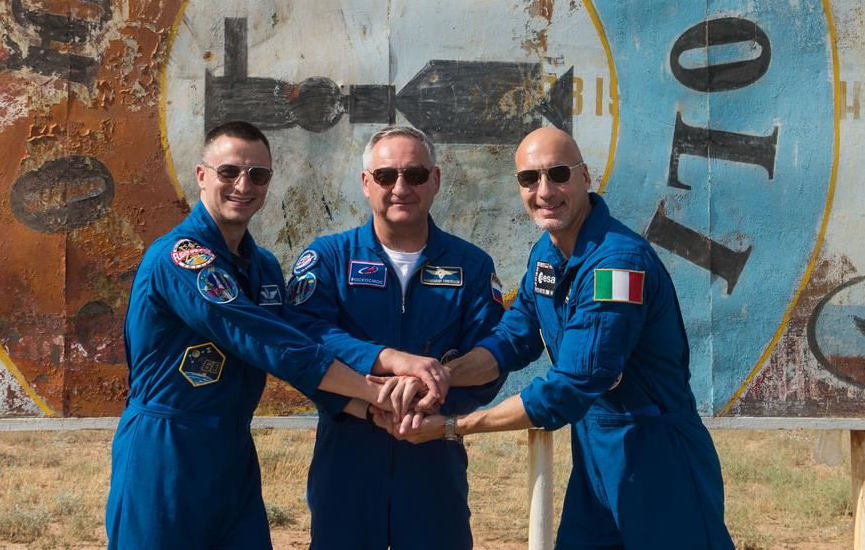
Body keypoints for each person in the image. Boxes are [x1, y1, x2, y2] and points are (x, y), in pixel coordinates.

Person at [382, 127, 734, 550]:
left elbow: (569, 388)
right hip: (595, 455)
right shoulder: (547, 254)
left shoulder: (617, 267)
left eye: (558, 174)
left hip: (658, 456)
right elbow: (514, 338)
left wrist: (456, 426)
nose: (544, 191)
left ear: (586, 177)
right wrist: (437, 377)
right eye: (529, 179)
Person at [105, 120, 400, 550]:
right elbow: (262, 339)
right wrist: (376, 391)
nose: (243, 185)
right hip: (166, 449)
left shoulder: (261, 266)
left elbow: (297, 354)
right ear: (202, 176)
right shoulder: (180, 258)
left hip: (232, 450)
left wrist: (368, 409)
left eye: (257, 175)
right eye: (229, 172)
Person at [285, 125, 506, 550]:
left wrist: (427, 396)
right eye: (386, 176)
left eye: (415, 175)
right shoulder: (329, 258)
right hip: (346, 459)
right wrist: (386, 361)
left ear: (436, 181)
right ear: (366, 184)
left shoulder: (472, 265)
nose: (400, 187)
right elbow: (305, 338)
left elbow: (491, 355)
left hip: (434, 455)